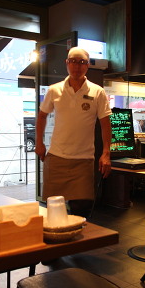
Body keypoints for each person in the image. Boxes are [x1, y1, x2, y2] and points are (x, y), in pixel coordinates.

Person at [35, 47, 112, 217]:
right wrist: (39, 142)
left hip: (83, 160)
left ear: (87, 66)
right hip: (57, 158)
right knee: (55, 212)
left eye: (82, 62)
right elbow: (42, 116)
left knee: (82, 211)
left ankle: (79, 243)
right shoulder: (54, 90)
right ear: (67, 63)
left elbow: (106, 124)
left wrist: (106, 153)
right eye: (73, 62)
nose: (77, 66)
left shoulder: (97, 91)